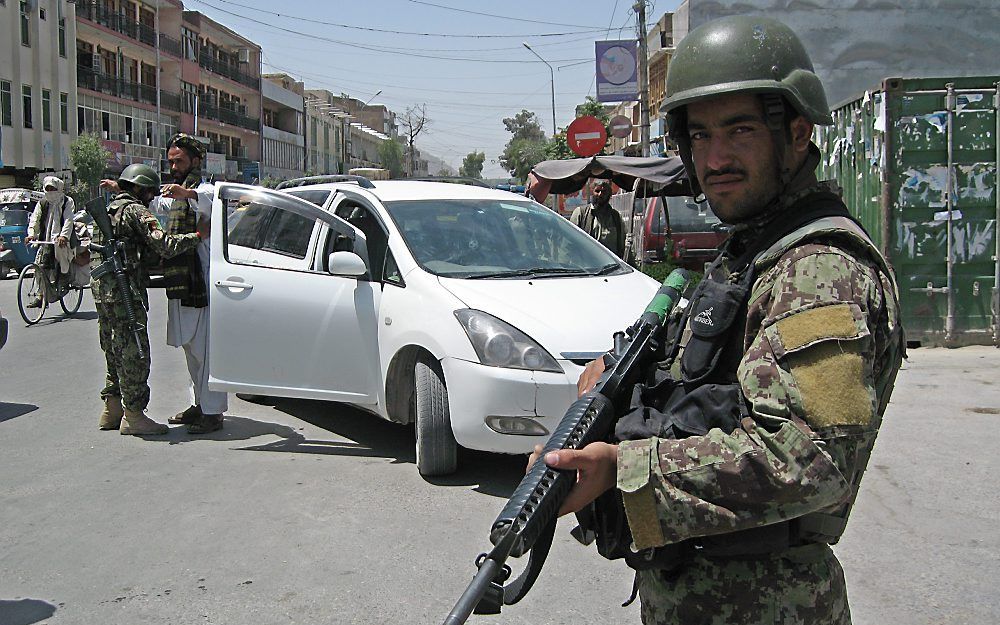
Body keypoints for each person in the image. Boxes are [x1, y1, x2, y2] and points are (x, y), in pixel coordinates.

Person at [535, 16, 906, 625]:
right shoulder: (752, 252)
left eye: (740, 131)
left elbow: (806, 460)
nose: (717, 157)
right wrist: (612, 379)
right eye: (701, 136)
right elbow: (702, 378)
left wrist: (622, 470)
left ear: (797, 133)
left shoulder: (815, 271)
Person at [102, 133, 227, 434]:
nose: (173, 167)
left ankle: (213, 413)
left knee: (206, 349)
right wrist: (122, 188)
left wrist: (188, 195)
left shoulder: (205, 189)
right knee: (190, 349)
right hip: (179, 280)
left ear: (195, 161)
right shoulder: (174, 192)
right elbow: (145, 201)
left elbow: (217, 199)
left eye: (179, 161)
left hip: (202, 281)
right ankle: (199, 404)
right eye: (170, 162)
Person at [92, 164, 203, 435]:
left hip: (103, 290)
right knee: (134, 351)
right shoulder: (134, 211)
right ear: (139, 188)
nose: (151, 199)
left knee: (112, 347)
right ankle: (134, 416)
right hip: (124, 290)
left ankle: (113, 408)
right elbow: (164, 243)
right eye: (150, 193)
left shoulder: (108, 210)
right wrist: (198, 236)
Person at [25, 176, 75, 307]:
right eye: (47, 189)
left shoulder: (67, 202)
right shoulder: (42, 203)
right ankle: (41, 295)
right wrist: (31, 235)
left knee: (62, 259)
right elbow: (34, 220)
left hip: (62, 241)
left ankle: (65, 276)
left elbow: (69, 220)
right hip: (45, 241)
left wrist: (63, 236)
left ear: (59, 188)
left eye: (52, 188)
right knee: (39, 267)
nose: (50, 191)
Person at [569, 179, 626, 259]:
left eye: (604, 192)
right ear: (592, 192)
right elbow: (570, 243)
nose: (600, 194)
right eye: (597, 191)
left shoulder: (615, 217)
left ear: (609, 195)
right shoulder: (581, 213)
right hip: (588, 265)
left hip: (611, 266)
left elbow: (622, 245)